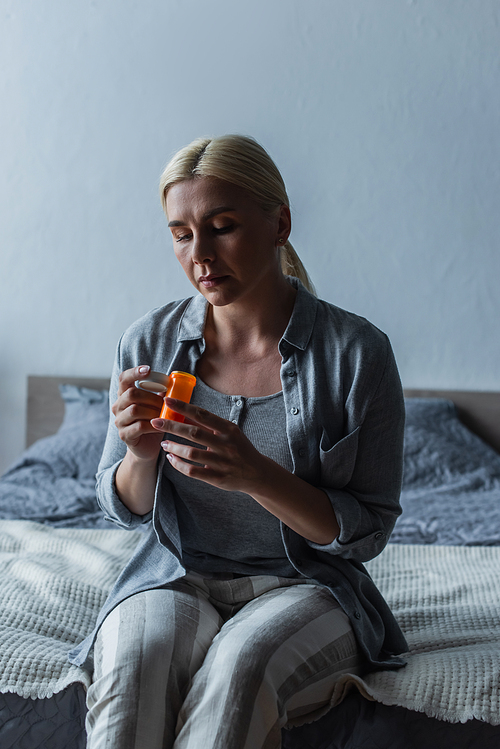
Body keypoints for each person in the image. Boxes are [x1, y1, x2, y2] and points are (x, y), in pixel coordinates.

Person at [69, 134, 408, 749]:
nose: (200, 254)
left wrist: (255, 473)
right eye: (180, 233)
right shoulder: (148, 343)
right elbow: (123, 507)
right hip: (175, 575)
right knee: (133, 667)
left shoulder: (358, 355)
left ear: (279, 223)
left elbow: (367, 532)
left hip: (309, 585)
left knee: (239, 671)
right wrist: (138, 454)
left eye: (222, 226)